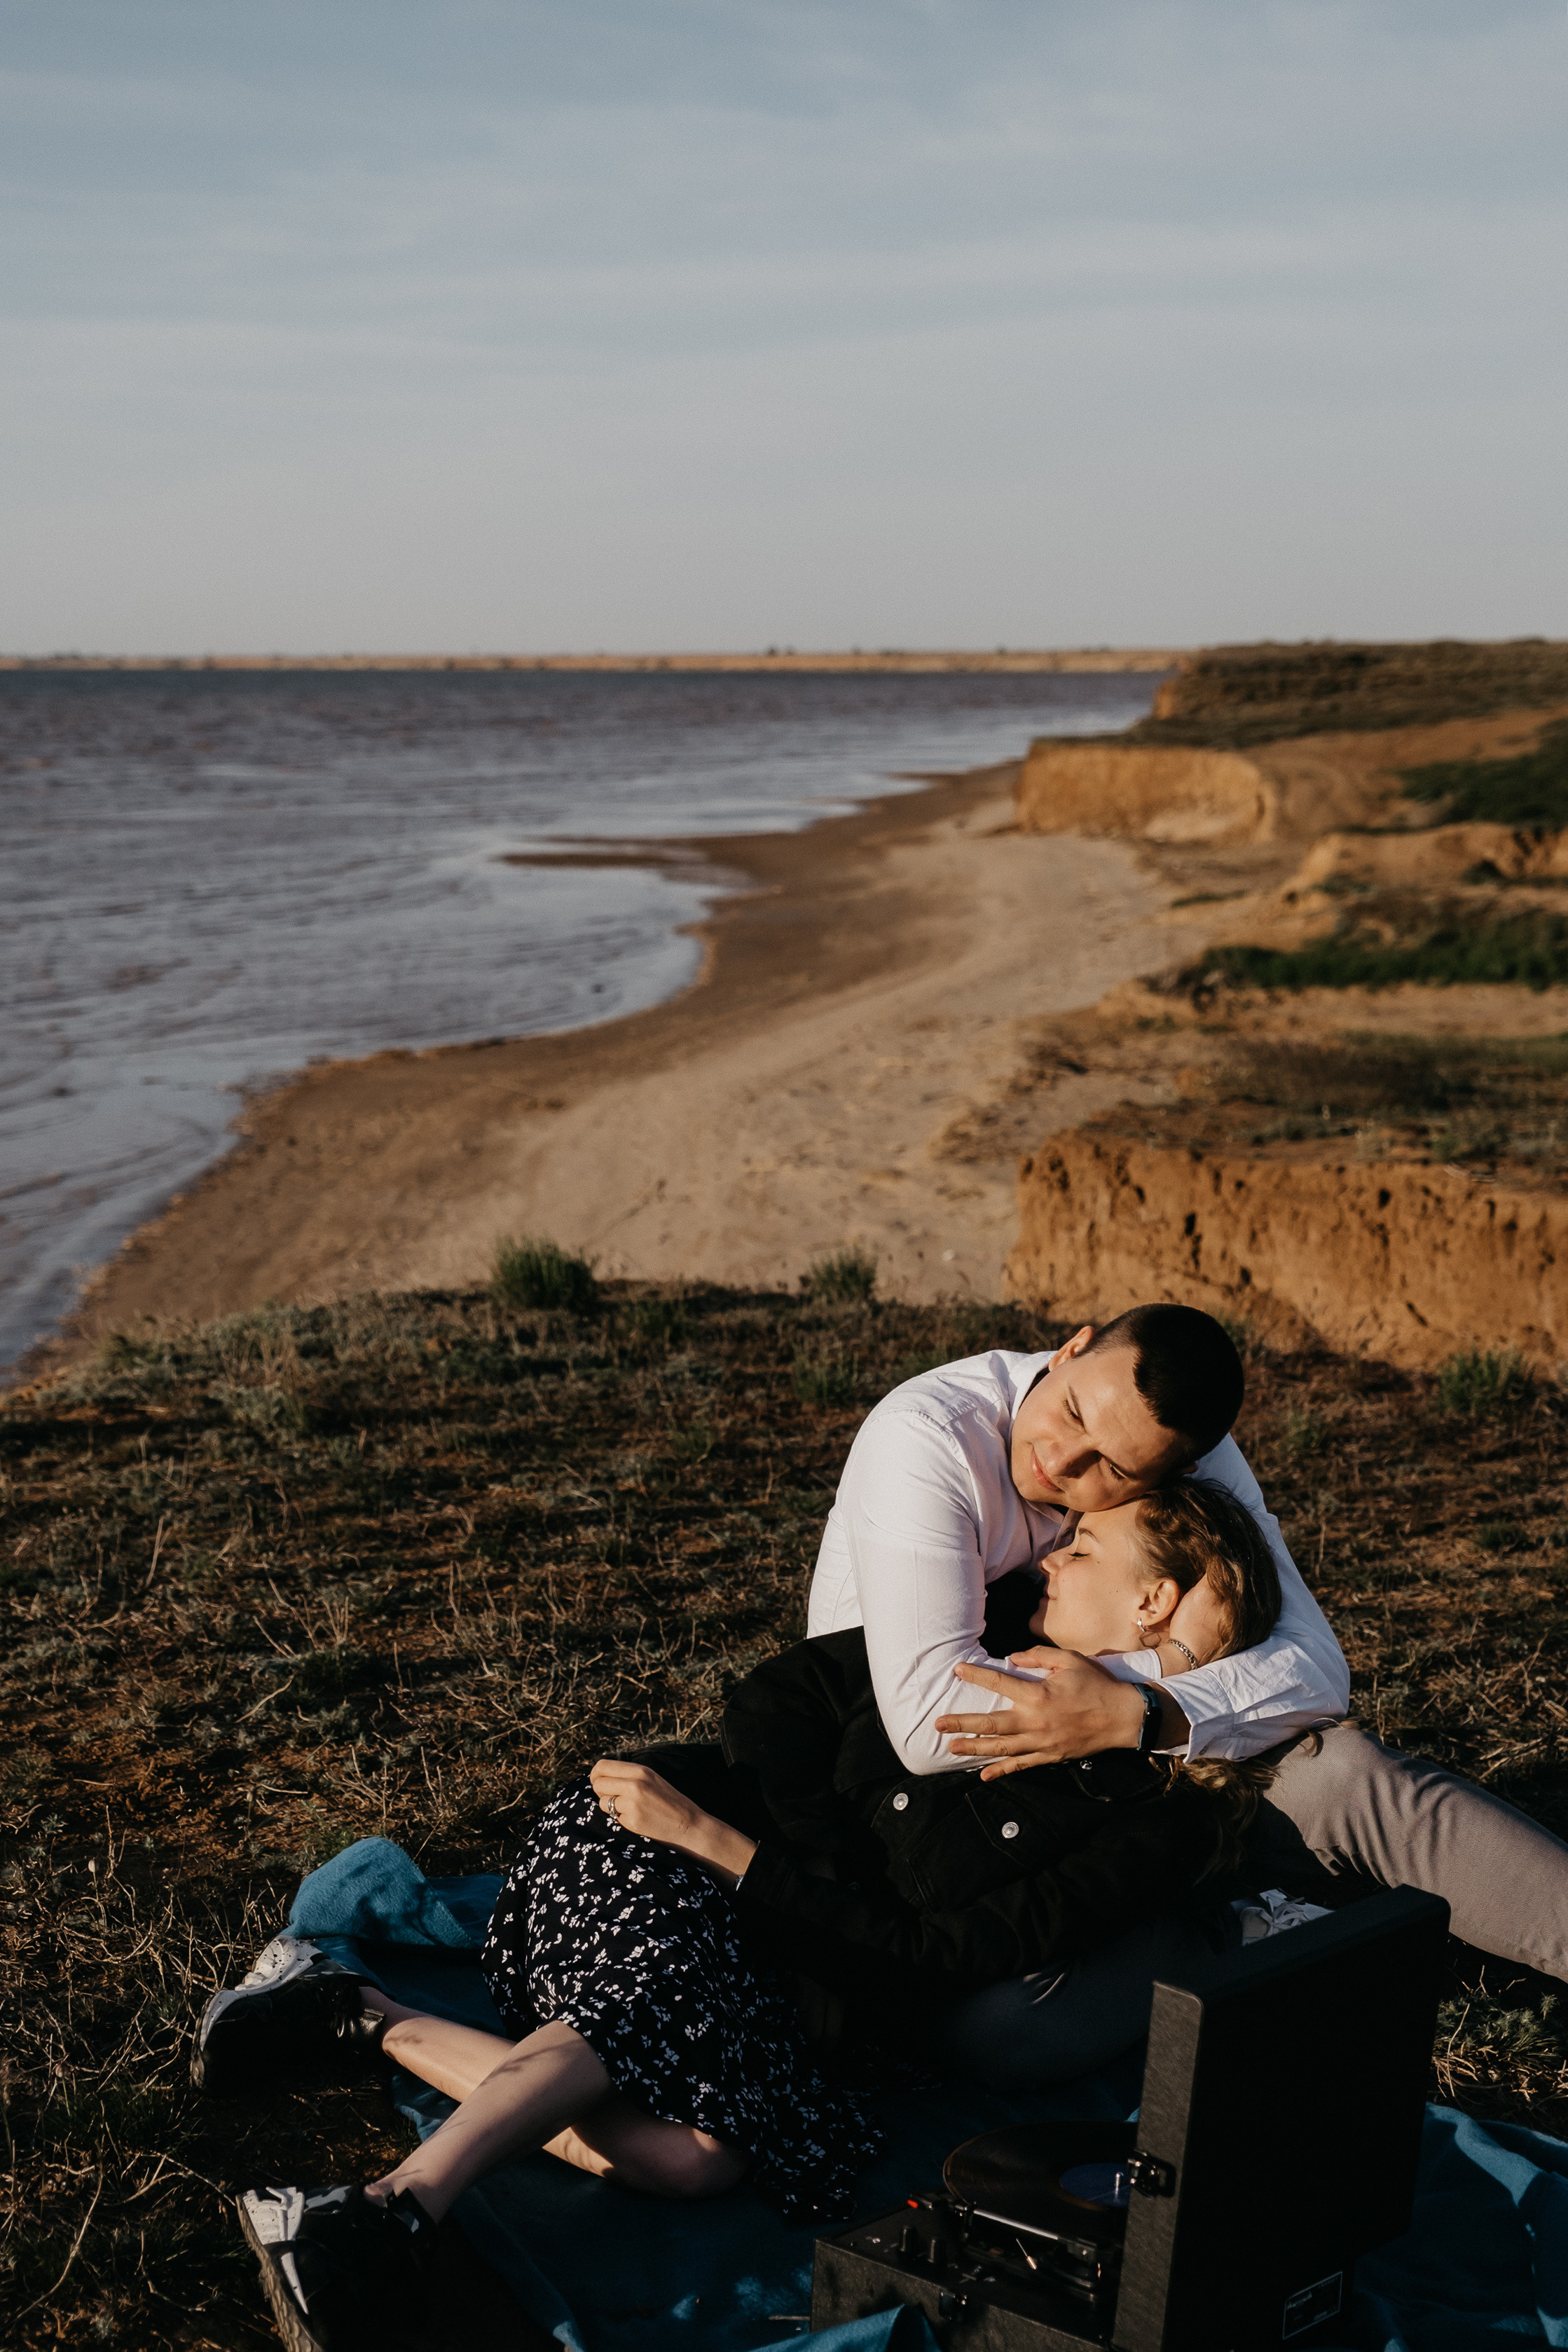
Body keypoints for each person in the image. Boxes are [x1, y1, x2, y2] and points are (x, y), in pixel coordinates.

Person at [201, 1478, 1281, 2352]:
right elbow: (775, 1700)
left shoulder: (1155, 1818)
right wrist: (759, 1855)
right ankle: (384, 2213)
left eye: (1083, 1550)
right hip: (646, 1836)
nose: (1048, 1557)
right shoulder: (975, 1631)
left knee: (698, 2161)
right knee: (660, 1996)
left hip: (747, 1895)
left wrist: (755, 1874)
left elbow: (940, 1956)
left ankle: (359, 2012)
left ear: (1153, 1602)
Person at [811, 1301, 1568, 1985]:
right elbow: (927, 1720)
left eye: (1112, 1467)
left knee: (1345, 1773)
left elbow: (1315, 1668)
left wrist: (1137, 1714)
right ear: (1071, 1348)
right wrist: (1151, 1677)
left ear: (1182, 1470)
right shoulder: (930, 1439)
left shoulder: (1189, 1447)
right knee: (1004, 2020)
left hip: (1148, 1762)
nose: (1061, 1460)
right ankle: (1254, 1925)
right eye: (1072, 1411)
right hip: (958, 1802)